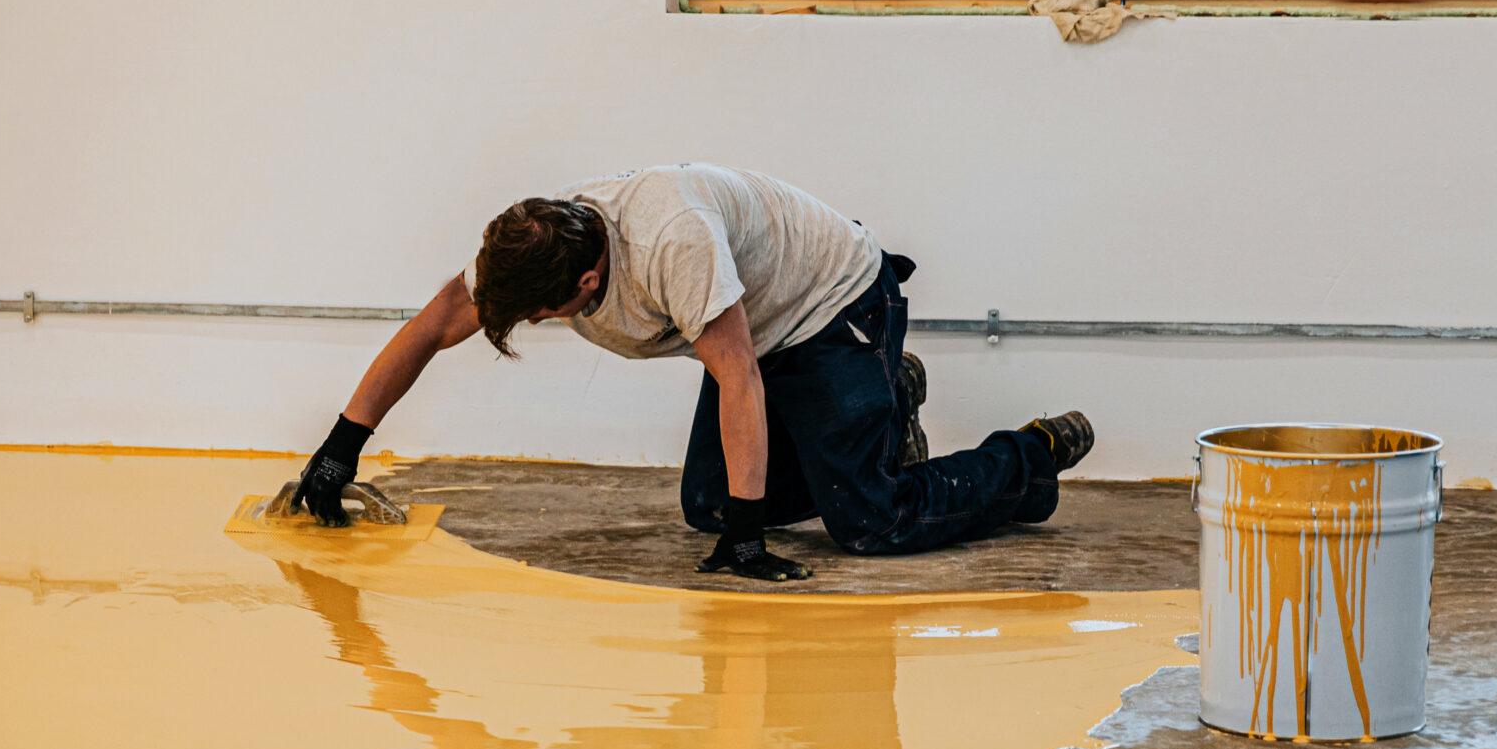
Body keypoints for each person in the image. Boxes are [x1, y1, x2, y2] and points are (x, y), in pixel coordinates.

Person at [293, 164, 1094, 580]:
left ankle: (1029, 456)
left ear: (583, 286)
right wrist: (340, 449)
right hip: (758, 327)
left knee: (869, 522)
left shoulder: (672, 244)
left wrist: (754, 541)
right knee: (713, 507)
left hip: (834, 309)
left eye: (540, 318)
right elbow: (435, 325)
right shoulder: (531, 247)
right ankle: (884, 406)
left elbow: (739, 376)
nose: (532, 326)